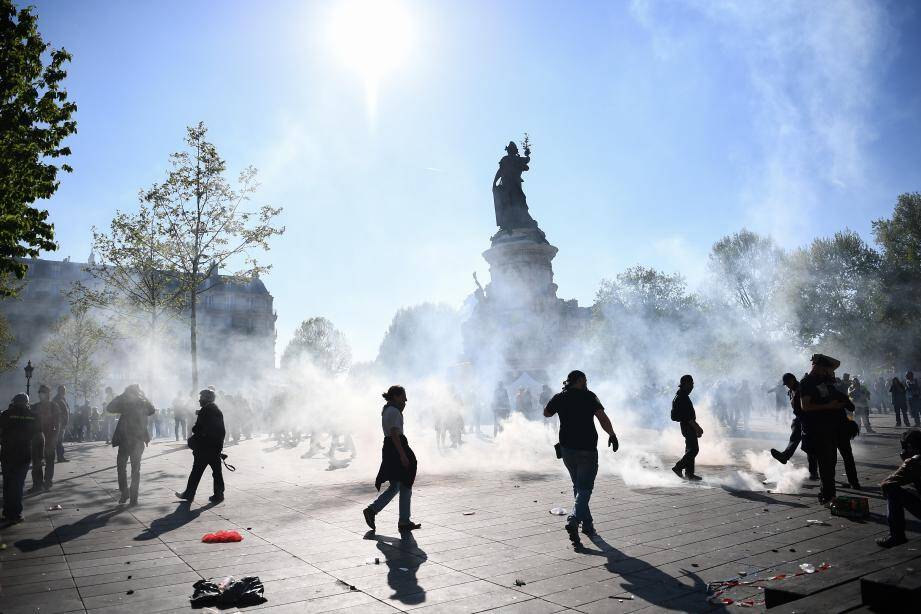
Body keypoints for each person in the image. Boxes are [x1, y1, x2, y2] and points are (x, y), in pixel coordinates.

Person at [543, 370, 618, 538]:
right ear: (579, 380)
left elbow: (546, 413)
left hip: (567, 449)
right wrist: (612, 434)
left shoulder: (560, 397)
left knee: (578, 486)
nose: (586, 383)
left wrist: (557, 399)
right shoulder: (589, 396)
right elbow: (602, 418)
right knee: (584, 488)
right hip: (586, 449)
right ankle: (574, 518)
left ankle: (588, 525)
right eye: (584, 380)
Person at [799, 354, 856, 504]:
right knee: (826, 466)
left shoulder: (821, 379)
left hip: (829, 429)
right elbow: (805, 406)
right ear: (817, 367)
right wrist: (828, 406)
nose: (828, 373)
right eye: (825, 370)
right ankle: (829, 496)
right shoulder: (807, 382)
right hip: (817, 430)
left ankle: (826, 494)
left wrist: (821, 358)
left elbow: (837, 363)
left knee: (830, 464)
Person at [363, 385, 420, 533]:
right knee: (405, 484)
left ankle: (373, 510)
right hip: (396, 448)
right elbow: (395, 433)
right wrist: (402, 455)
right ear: (396, 396)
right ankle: (403, 521)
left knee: (395, 486)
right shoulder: (394, 411)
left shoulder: (388, 409)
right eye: (403, 396)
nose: (406, 399)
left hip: (390, 448)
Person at [108, 384, 156, 505]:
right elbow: (152, 409)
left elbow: (110, 407)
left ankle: (125, 493)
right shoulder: (141, 402)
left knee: (121, 467)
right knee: (135, 469)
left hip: (127, 440)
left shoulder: (125, 403)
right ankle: (133, 497)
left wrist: (122, 396)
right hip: (136, 440)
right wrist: (144, 396)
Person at [176, 389, 226, 503]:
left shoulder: (206, 411)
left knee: (196, 472)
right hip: (214, 448)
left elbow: (198, 429)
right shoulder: (216, 410)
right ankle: (219, 494)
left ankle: (189, 494)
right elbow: (222, 431)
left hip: (204, 448)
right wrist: (219, 447)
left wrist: (194, 430)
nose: (199, 400)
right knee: (217, 472)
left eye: (202, 397)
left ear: (207, 399)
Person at [877, 429, 921, 548]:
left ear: (910, 446)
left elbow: (886, 484)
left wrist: (905, 463)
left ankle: (897, 536)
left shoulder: (914, 462)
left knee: (892, 491)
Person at [770, 373, 819, 479]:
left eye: (788, 383)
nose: (787, 385)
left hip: (808, 419)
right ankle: (785, 456)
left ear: (793, 380)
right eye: (786, 384)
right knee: (794, 437)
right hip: (799, 418)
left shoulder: (802, 388)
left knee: (809, 446)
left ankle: (813, 472)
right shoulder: (791, 390)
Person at [1, 394, 39, 524]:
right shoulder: (33, 416)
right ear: (27, 403)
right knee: (18, 484)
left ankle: (7, 512)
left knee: (7, 483)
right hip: (23, 454)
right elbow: (37, 434)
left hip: (7, 453)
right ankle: (16, 514)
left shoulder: (5, 414)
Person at [671, 375, 703, 481]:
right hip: (688, 425)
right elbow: (688, 417)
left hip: (686, 425)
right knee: (694, 450)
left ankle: (689, 474)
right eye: (691, 384)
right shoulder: (682, 397)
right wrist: (697, 427)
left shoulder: (681, 395)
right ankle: (678, 467)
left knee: (690, 449)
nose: (692, 386)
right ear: (685, 384)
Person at [30, 384, 59, 492]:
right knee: (36, 462)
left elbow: (58, 424)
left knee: (49, 461)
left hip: (50, 437)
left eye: (42, 392)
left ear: (48, 394)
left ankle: (47, 482)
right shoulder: (34, 406)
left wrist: (55, 438)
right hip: (37, 437)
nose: (40, 394)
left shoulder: (54, 406)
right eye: (39, 392)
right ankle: (37, 484)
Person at [53, 385, 69, 462]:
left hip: (62, 423)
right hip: (59, 423)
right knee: (58, 441)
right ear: (59, 390)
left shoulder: (62, 399)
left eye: (64, 390)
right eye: (63, 390)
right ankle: (59, 457)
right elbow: (56, 412)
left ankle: (60, 456)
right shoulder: (57, 399)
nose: (64, 391)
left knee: (59, 440)